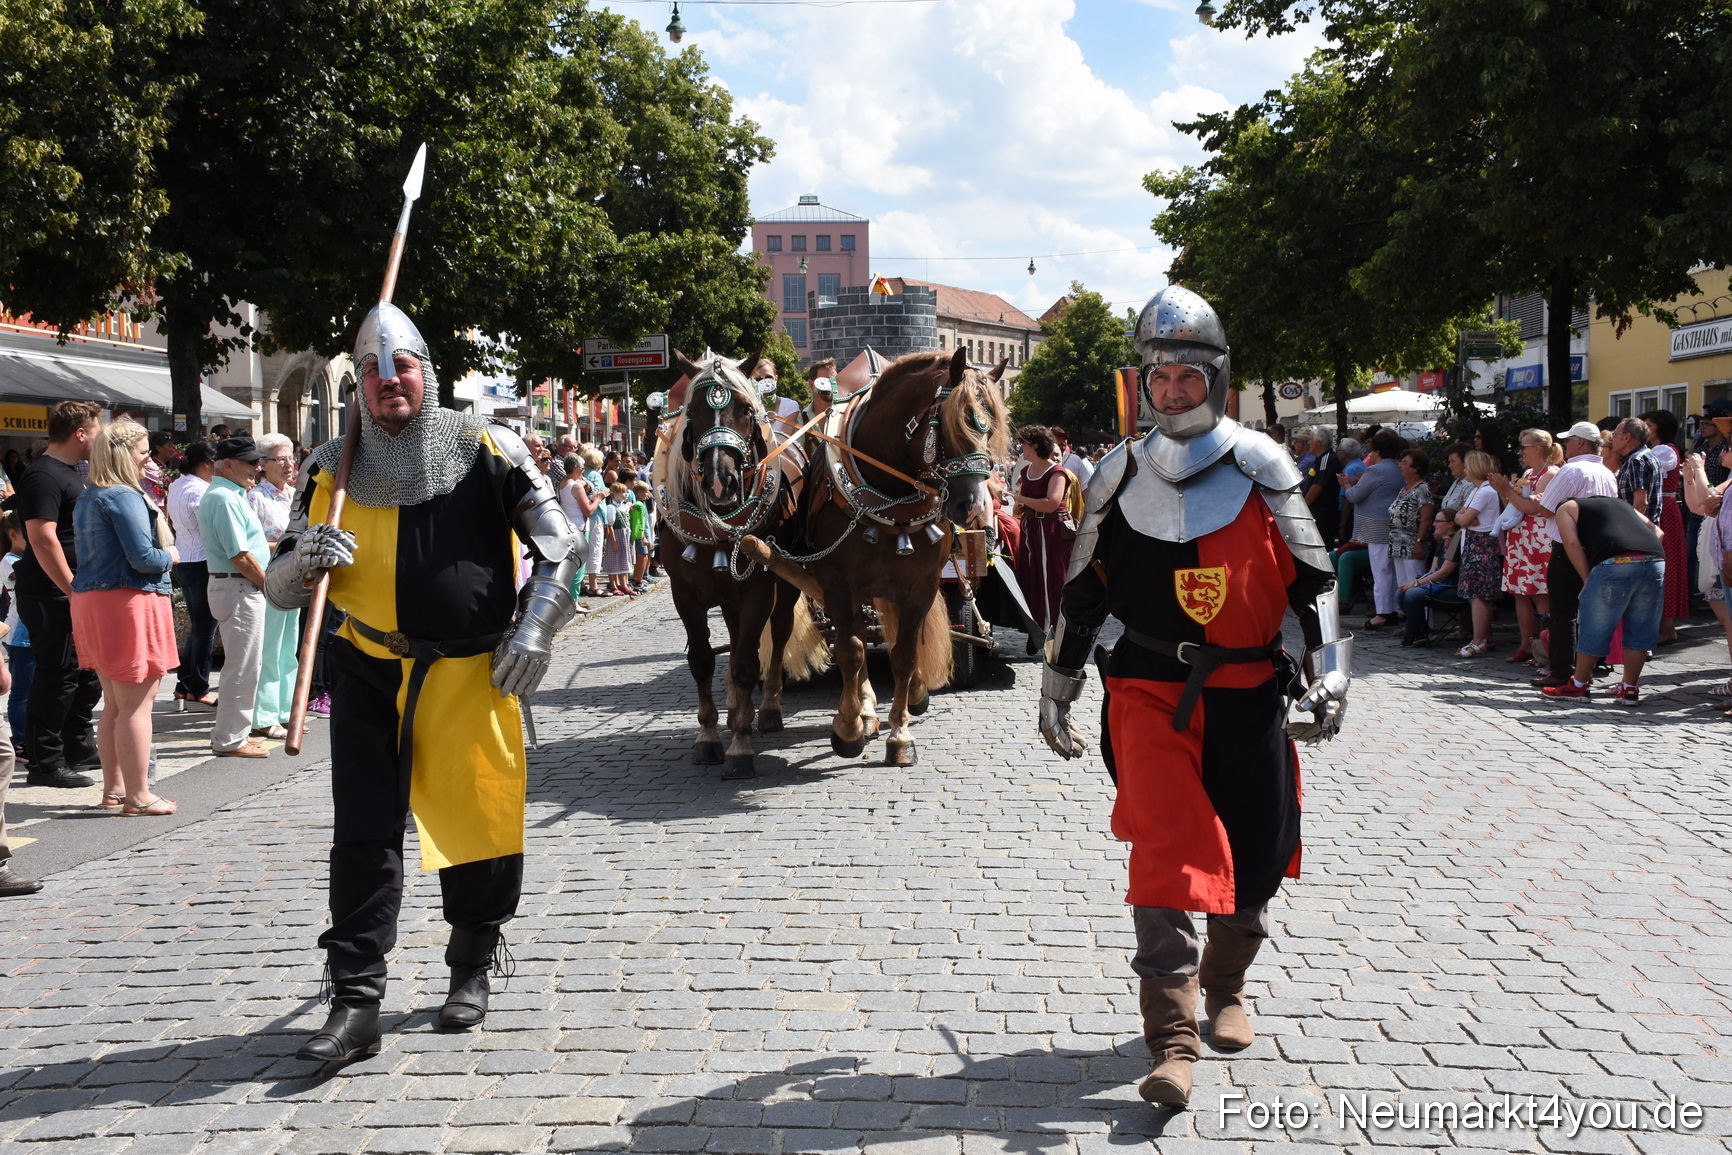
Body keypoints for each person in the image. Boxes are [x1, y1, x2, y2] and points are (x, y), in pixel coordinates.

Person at [1037, 286, 1347, 1109]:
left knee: (1251, 866)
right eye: (1158, 376)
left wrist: (1333, 669)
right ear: (1142, 381)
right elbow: (1082, 595)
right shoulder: (1114, 475)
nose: (1172, 389)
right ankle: (1172, 1042)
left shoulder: (1264, 464)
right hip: (1147, 693)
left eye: (1187, 375)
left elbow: (1316, 582)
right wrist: (1058, 685)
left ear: (1216, 375)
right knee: (1165, 860)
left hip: (1249, 695)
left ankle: (1228, 987)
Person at [265, 300, 578, 1060]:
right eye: (371, 369)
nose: (385, 380)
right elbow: (276, 581)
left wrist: (535, 628)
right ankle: (356, 999)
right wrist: (304, 563)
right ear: (357, 388)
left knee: (478, 829)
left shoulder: (487, 447)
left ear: (425, 373)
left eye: (399, 365)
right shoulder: (327, 467)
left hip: (469, 672)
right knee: (363, 835)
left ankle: (468, 965)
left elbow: (562, 545)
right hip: (366, 667)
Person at [69, 418, 179, 815]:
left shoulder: (90, 496)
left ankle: (116, 789)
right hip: (128, 600)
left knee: (116, 705)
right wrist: (174, 555)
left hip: (97, 601)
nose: (149, 459)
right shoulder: (123, 496)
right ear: (123, 454)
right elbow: (145, 558)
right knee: (135, 705)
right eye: (143, 452)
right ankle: (138, 794)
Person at [14, 399, 104, 789]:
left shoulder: (70, 472)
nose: (99, 439)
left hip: (73, 590)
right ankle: (44, 761)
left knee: (85, 674)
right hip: (51, 593)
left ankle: (77, 745)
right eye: (97, 431)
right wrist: (70, 588)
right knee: (57, 675)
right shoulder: (43, 475)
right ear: (80, 433)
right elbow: (42, 538)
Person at [1541, 495, 1665, 704]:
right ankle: (1629, 688)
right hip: (1654, 559)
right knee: (1641, 628)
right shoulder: (1619, 504)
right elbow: (1658, 532)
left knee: (1594, 625)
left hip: (1614, 561)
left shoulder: (1565, 508)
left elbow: (1571, 543)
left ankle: (1578, 686)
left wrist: (1587, 580)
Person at [1524, 422, 1619, 687]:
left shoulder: (1572, 470)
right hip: (1598, 545)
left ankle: (1562, 671)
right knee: (1592, 608)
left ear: (1580, 443)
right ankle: (1588, 666)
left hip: (1568, 545)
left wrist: (1538, 500)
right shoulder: (1606, 472)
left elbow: (1545, 509)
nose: (1565, 445)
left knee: (1563, 612)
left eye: (1569, 440)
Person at [198, 436, 271, 758]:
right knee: (242, 667)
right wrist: (269, 585)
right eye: (250, 461)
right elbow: (239, 555)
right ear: (227, 464)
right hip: (238, 586)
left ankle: (235, 734)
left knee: (245, 665)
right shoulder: (225, 498)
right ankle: (229, 739)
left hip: (236, 586)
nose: (257, 467)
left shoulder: (228, 494)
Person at [1491, 429, 1563, 666]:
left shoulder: (1551, 473)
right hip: (1521, 538)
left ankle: (1544, 647)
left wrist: (1505, 490)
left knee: (1541, 593)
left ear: (1538, 449)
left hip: (1538, 539)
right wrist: (1504, 491)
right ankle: (1526, 644)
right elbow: (1514, 506)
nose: (1519, 452)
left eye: (1523, 447)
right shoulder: (1528, 473)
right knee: (1520, 593)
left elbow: (1533, 509)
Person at [248, 434, 301, 740]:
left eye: (290, 458)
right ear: (263, 465)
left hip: (293, 580)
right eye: (280, 459)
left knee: (288, 649)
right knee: (269, 650)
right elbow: (250, 545)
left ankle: (285, 711)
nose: (288, 464)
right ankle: (265, 715)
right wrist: (285, 546)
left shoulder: (294, 494)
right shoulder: (257, 498)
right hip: (269, 579)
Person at [1009, 425, 1073, 652]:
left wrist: (1021, 498)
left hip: (1052, 531)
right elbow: (1023, 503)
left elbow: (1051, 503)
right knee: (1032, 579)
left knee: (1054, 580)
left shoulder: (1057, 472)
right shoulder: (1026, 472)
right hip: (1032, 529)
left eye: (1024, 443)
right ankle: (1036, 632)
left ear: (1034, 445)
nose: (1021, 448)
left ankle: (1057, 634)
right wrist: (1018, 506)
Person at [167, 441, 220, 709]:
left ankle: (185, 683)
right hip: (200, 560)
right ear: (206, 464)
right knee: (205, 628)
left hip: (184, 558)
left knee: (200, 627)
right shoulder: (200, 490)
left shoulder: (178, 484)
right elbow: (209, 525)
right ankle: (197, 686)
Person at [1341, 429, 1405, 630]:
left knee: (1380, 571)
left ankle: (1383, 612)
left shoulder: (1376, 470)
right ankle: (1395, 608)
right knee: (1393, 571)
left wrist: (1346, 485)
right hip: (1394, 526)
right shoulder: (1398, 468)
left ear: (1376, 451)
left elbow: (1353, 497)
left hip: (1376, 527)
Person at [1450, 450, 1505, 658]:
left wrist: (1465, 517)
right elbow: (1459, 515)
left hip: (1481, 545)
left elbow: (1463, 519)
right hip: (1473, 543)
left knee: (1479, 595)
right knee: (1477, 595)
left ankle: (1479, 640)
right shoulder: (1477, 490)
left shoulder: (1484, 491)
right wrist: (1464, 517)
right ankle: (1483, 638)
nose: (1464, 469)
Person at [1640, 410, 1688, 645]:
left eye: (1648, 425)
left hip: (1664, 508)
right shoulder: (1655, 450)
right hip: (1660, 507)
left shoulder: (1664, 451)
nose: (1645, 428)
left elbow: (1646, 471)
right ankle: (1662, 625)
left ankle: (1666, 626)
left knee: (1665, 562)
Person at [1397, 511, 1463, 646]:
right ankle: (1423, 632)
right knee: (1401, 593)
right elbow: (1433, 570)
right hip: (1440, 585)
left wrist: (1415, 584)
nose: (1434, 524)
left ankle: (1412, 634)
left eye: (1438, 521)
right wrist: (1413, 584)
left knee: (1413, 594)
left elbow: (1444, 572)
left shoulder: (1456, 541)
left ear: (1450, 524)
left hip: (1453, 588)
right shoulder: (1441, 543)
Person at [2, 514, 34, 743]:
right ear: (13, 535)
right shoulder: (9, 561)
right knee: (21, 692)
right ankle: (20, 740)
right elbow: (28, 575)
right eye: (29, 535)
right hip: (20, 635)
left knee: (34, 690)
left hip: (36, 632)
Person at [1386, 448, 1434, 589]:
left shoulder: (1423, 489)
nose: (1400, 466)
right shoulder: (1404, 489)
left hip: (1412, 544)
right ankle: (1404, 610)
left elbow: (1426, 518)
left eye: (1405, 463)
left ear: (1416, 468)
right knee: (1402, 584)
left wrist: (1419, 542)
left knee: (1415, 582)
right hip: (1398, 544)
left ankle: (1419, 611)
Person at [1302, 429, 1343, 551]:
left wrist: (1303, 507)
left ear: (1319, 442)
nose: (1308, 443)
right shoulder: (1321, 459)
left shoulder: (1327, 459)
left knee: (1322, 547)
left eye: (1310, 440)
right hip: (1319, 514)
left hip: (1322, 515)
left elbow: (1318, 486)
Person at [750, 358, 802, 437]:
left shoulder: (790, 406)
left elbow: (784, 440)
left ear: (776, 379)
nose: (764, 382)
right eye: (758, 379)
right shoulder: (747, 409)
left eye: (768, 378)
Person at [140, 431, 178, 513]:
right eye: (169, 446)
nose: (173, 450)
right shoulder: (150, 465)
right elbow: (168, 484)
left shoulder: (162, 465)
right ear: (158, 448)